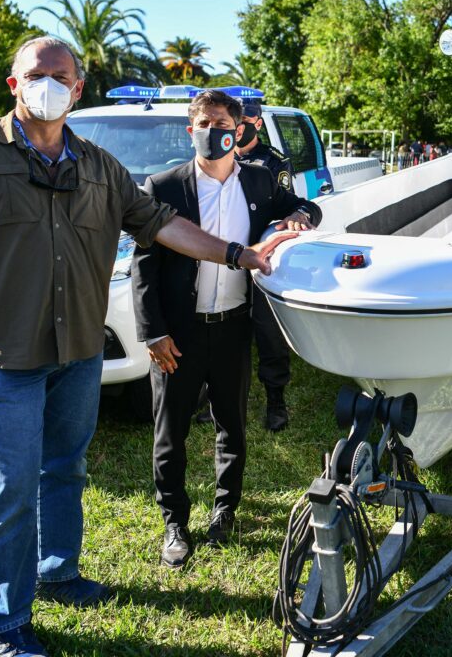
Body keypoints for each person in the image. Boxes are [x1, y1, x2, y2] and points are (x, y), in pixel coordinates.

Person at [0, 37, 293, 657]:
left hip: (79, 351)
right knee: (10, 488)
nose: (48, 85)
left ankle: (59, 571)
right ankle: (6, 622)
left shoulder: (98, 165)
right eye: (37, 75)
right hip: (2, 357)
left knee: (66, 468)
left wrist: (235, 253)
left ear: (78, 88)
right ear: (14, 83)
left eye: (60, 76)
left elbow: (161, 225)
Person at [132, 90, 322, 570]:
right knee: (170, 431)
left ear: (238, 131)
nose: (211, 129)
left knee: (231, 427)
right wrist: (153, 333)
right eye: (203, 121)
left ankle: (225, 511)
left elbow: (306, 207)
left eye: (221, 122)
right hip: (179, 332)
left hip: (235, 326)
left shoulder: (258, 182)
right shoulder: (165, 186)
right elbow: (144, 266)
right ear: (190, 129)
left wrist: (300, 215)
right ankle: (175, 523)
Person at [233, 97, 304, 431]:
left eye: (242, 120)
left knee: (268, 333)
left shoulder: (272, 162)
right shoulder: (219, 157)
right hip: (225, 259)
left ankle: (276, 401)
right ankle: (214, 395)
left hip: (260, 259)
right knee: (225, 334)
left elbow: (287, 207)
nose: (235, 127)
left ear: (257, 124)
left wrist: (296, 215)